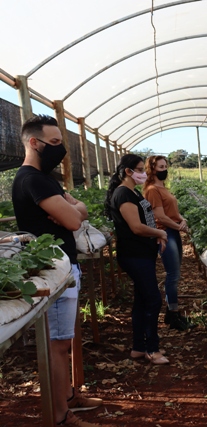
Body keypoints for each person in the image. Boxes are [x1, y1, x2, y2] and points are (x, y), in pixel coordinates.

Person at [12, 114, 103, 427]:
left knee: (64, 340)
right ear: (34, 143)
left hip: (63, 266)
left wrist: (70, 209)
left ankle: (68, 396)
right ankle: (60, 416)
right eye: (53, 143)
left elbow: (79, 210)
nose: (59, 150)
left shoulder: (45, 179)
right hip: (51, 270)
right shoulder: (33, 180)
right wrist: (70, 211)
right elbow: (75, 221)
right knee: (56, 344)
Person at [105, 154, 169, 365]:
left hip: (142, 254)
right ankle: (152, 349)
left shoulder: (131, 192)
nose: (143, 173)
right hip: (134, 255)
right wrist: (159, 234)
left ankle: (138, 348)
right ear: (128, 171)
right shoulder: (123, 194)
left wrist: (155, 236)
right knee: (153, 299)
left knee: (142, 300)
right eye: (140, 169)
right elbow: (136, 227)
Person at [143, 155, 191, 331]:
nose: (164, 170)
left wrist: (182, 220)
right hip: (164, 233)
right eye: (160, 167)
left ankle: (172, 313)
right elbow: (160, 217)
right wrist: (179, 227)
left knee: (176, 274)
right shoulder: (152, 190)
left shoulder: (164, 188)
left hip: (173, 230)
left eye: (165, 166)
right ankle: (172, 313)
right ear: (152, 169)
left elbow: (173, 212)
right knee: (172, 274)